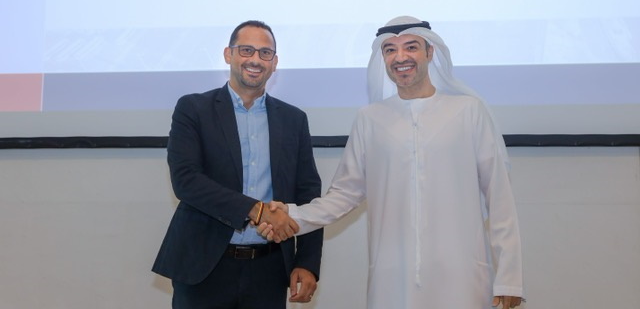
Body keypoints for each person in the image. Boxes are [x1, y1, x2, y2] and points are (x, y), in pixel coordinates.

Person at [259, 16, 524, 309]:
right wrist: (293, 214)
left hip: (461, 276)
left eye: (411, 47)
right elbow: (343, 195)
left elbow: (499, 197)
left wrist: (510, 277)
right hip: (392, 280)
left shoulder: (468, 111)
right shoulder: (370, 119)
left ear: (430, 52)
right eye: (390, 50)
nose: (400, 57)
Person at [152, 20, 323, 309]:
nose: (255, 59)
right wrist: (256, 210)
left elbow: (308, 193)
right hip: (204, 268)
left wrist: (307, 262)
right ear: (228, 54)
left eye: (265, 53)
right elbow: (186, 181)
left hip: (269, 270)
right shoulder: (193, 109)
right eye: (246, 50)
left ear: (275, 63)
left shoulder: (293, 120)